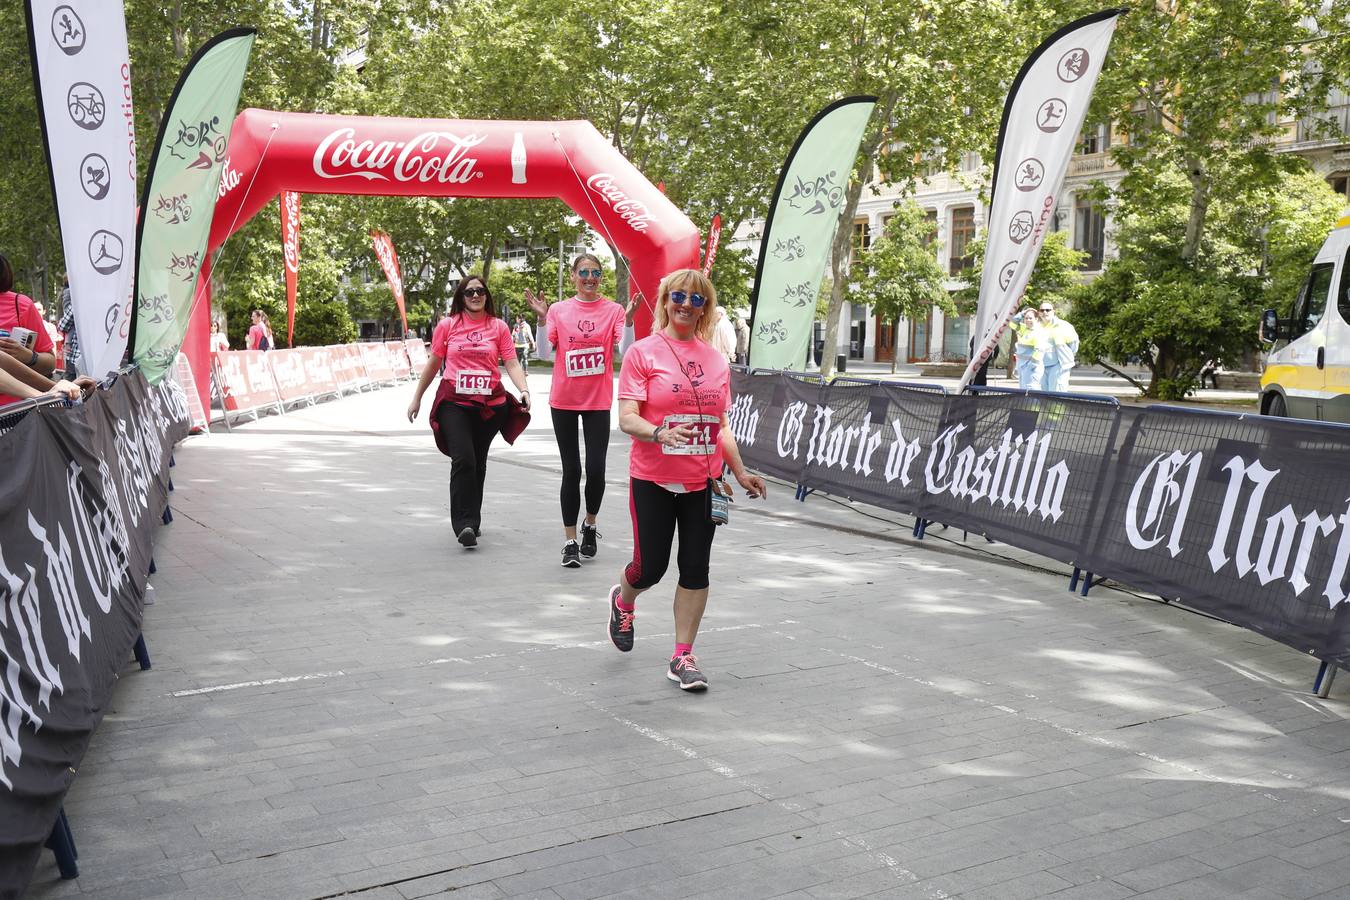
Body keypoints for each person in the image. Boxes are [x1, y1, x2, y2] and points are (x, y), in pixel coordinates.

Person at [606, 268, 767, 691]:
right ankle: (623, 600)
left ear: (706, 309)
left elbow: (720, 425)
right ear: (665, 301)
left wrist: (739, 470)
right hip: (654, 478)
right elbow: (627, 417)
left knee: (695, 568)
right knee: (650, 568)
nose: (686, 305)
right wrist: (659, 433)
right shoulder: (643, 353)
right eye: (679, 296)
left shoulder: (716, 361)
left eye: (697, 300)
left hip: (703, 482)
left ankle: (682, 656)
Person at [407, 276, 531, 548]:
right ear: (461, 297)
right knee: (463, 459)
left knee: (478, 461)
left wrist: (524, 390)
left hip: (489, 406)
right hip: (455, 403)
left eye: (480, 291)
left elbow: (510, 362)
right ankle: (463, 523)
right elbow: (433, 363)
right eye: (469, 292)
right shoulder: (448, 326)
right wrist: (417, 397)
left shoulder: (499, 327)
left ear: (487, 295)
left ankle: (472, 522)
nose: (476, 295)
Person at [524, 254, 627, 568]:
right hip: (564, 401)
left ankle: (590, 524)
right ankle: (569, 542)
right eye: (584, 272)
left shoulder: (614, 311)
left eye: (596, 272)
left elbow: (628, 351)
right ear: (573, 276)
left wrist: (632, 322)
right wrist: (542, 320)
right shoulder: (559, 310)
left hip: (597, 401)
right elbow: (543, 354)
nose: (590, 277)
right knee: (572, 470)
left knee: (596, 468)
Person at [0, 252, 57, 407]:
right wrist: (52, 391)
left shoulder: (21, 305)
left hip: (16, 413)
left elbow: (50, 363)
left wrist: (28, 356)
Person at [1038, 302, 1079, 392]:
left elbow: (1074, 345)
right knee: (1042, 395)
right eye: (1042, 310)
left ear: (1053, 311)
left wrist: (1066, 356)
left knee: (1057, 394)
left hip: (1059, 366)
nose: (1045, 312)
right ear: (1039, 313)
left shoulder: (1064, 326)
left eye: (1048, 310)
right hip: (1041, 367)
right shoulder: (1036, 327)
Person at [1010, 307, 1045, 391]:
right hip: (1022, 365)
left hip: (1031, 367)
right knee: (1023, 390)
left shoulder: (1038, 331)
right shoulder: (1023, 329)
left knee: (1031, 389)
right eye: (1026, 318)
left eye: (1030, 318)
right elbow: (1012, 323)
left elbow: (1039, 350)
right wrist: (1023, 313)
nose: (1028, 320)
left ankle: (1033, 405)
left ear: (1036, 319)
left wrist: (1031, 366)